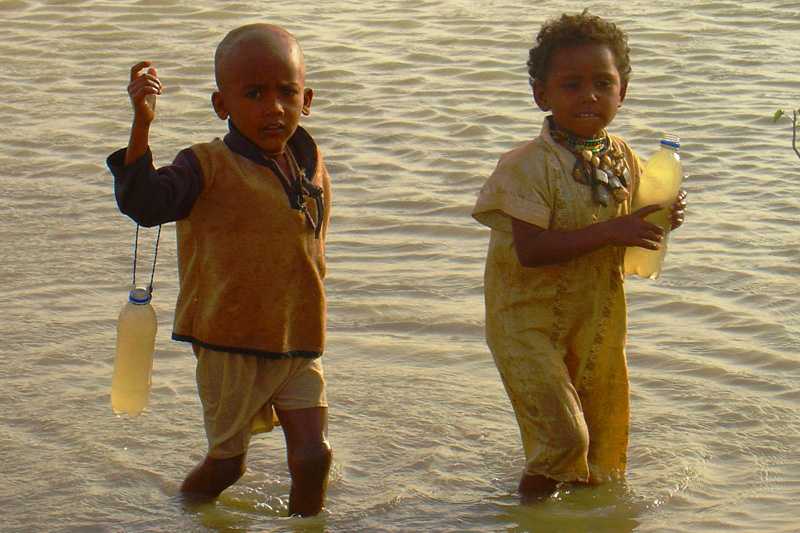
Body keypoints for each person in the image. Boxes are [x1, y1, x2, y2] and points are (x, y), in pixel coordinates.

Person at [107, 23, 333, 517]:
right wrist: (142, 123)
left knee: (314, 457)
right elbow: (144, 204)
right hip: (230, 341)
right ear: (221, 105)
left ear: (307, 99)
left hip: (296, 337)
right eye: (253, 94)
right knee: (229, 466)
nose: (272, 107)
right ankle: (182, 515)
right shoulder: (205, 166)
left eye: (286, 92)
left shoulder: (308, 165)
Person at [471, 10, 687, 501]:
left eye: (602, 83)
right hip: (524, 321)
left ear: (622, 93)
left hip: (595, 316)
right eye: (571, 85)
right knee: (564, 439)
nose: (588, 95)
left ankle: (575, 521)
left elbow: (634, 226)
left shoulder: (624, 157)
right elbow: (530, 250)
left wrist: (662, 219)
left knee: (600, 443)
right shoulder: (527, 166)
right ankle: (524, 517)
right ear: (541, 95)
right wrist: (614, 230)